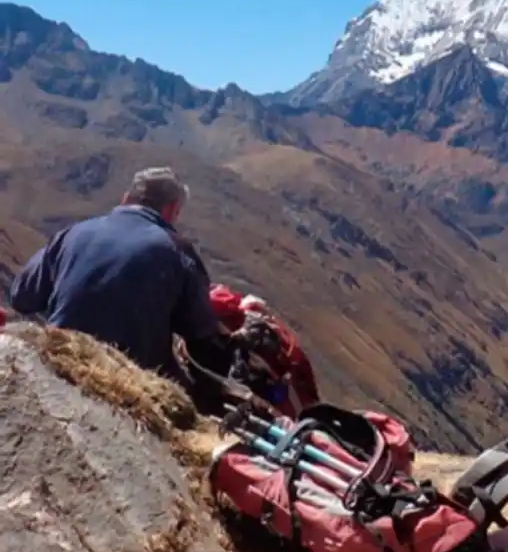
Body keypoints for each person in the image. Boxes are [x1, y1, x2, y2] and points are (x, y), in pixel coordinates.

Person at [8, 166, 238, 385]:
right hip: (130, 379)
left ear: (126, 198)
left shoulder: (72, 233)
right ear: (171, 210)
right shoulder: (177, 251)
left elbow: (21, 297)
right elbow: (201, 335)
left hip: (59, 357)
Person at [207, 283, 321, 418]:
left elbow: (239, 377)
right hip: (296, 378)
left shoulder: (246, 341)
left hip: (286, 391)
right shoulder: (252, 314)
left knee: (300, 420)